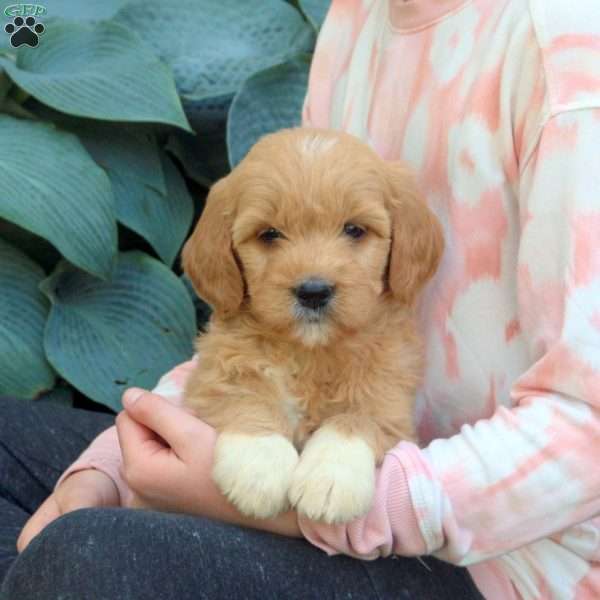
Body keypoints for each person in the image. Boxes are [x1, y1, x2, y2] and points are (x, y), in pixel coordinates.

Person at [2, 0, 600, 597]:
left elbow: (590, 430)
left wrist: (301, 513)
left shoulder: (567, 53)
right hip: (299, 453)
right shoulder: (359, 14)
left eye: (355, 234)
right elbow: (251, 335)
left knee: (86, 558)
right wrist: (120, 462)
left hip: (508, 562)